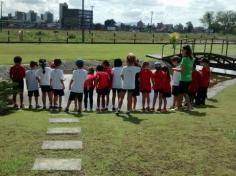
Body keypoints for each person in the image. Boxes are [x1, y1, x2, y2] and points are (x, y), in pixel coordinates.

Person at [173, 45, 194, 111]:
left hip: (184, 79)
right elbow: (189, 69)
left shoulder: (184, 59)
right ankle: (187, 106)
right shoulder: (191, 59)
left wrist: (175, 69)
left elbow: (182, 70)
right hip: (189, 78)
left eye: (182, 50)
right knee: (184, 93)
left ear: (186, 51)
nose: (181, 51)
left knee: (181, 93)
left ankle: (179, 107)